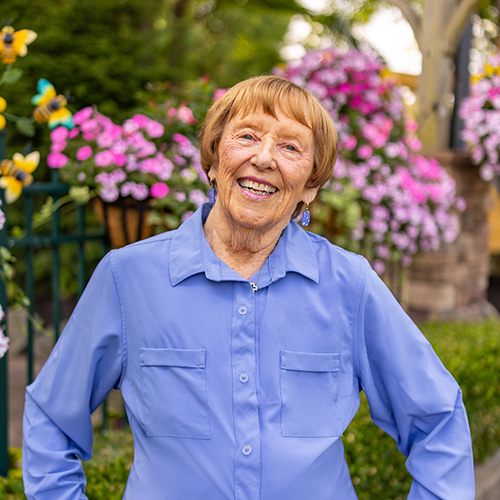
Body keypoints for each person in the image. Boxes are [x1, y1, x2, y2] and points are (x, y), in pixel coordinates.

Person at [23, 75, 474, 499]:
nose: (264, 158)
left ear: (310, 188)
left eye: (291, 146)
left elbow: (438, 419)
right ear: (214, 158)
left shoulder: (349, 285)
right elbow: (50, 418)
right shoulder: (128, 277)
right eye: (248, 136)